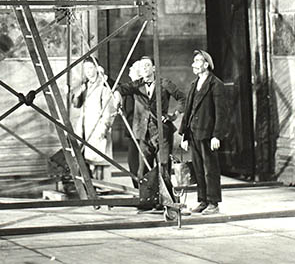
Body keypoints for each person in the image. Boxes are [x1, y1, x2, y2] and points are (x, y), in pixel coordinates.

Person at [117, 56, 184, 187]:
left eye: (147, 65)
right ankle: (147, 200)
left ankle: (166, 200)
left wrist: (174, 115)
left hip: (161, 132)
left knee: (163, 168)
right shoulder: (137, 85)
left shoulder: (165, 83)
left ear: (154, 68)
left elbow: (182, 98)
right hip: (143, 134)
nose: (145, 68)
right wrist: (117, 97)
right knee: (143, 170)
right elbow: (121, 89)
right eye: (142, 66)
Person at [179, 49, 226, 215]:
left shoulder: (215, 84)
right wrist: (184, 135)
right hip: (193, 133)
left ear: (206, 65)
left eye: (198, 61)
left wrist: (216, 135)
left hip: (207, 134)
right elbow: (188, 110)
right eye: (194, 61)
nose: (194, 64)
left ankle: (213, 202)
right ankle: (203, 200)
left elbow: (221, 113)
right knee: (198, 169)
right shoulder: (194, 84)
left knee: (210, 170)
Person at [71, 58, 121, 179]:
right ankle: (90, 186)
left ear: (97, 68)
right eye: (85, 69)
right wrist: (77, 93)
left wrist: (103, 128)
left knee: (99, 159)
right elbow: (76, 104)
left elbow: (108, 110)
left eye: (90, 68)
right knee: (85, 157)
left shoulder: (103, 85)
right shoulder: (85, 86)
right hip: (85, 126)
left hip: (97, 126)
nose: (87, 72)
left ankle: (102, 186)